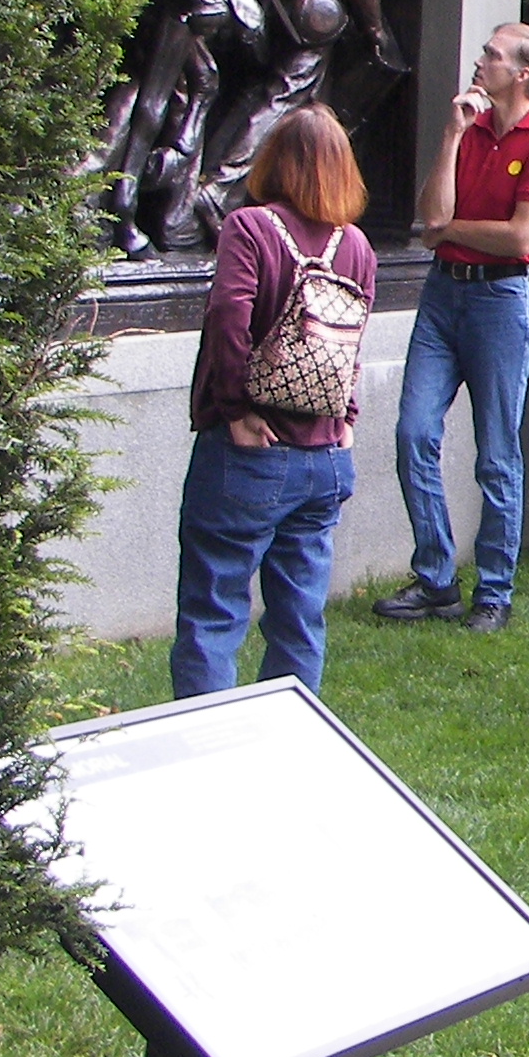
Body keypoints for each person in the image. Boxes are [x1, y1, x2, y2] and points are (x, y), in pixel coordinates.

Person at [172, 107, 377, 699]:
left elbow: (227, 316)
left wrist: (236, 409)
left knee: (214, 609)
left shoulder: (250, 227)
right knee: (299, 618)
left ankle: (206, 738)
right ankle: (291, 739)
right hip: (326, 456)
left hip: (251, 452)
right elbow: (350, 341)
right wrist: (345, 417)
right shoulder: (356, 245)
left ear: (275, 161)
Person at [373, 23, 529, 634]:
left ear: (523, 74)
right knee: (413, 434)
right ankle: (436, 580)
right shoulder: (471, 127)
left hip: (499, 300)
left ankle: (494, 590)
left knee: (497, 454)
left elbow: (520, 236)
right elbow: (430, 215)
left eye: (492, 54)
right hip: (442, 296)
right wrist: (452, 134)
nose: (480, 61)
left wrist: (452, 230)